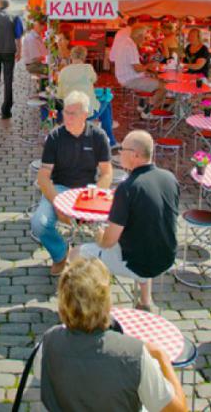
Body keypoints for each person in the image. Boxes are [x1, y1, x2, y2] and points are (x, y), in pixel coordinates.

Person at [40, 257, 189, 412]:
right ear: (106, 301)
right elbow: (179, 410)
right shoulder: (135, 356)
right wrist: (162, 358)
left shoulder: (48, 342)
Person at [76, 130, 179, 311]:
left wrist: (99, 235)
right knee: (145, 236)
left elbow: (108, 242)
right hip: (166, 256)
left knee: (77, 253)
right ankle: (145, 301)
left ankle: (86, 308)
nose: (119, 153)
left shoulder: (128, 188)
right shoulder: (169, 178)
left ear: (135, 155)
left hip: (139, 263)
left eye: (123, 149)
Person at [32, 91, 112, 276]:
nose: (66, 117)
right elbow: (43, 177)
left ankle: (97, 263)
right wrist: (58, 203)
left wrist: (95, 198)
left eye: (72, 113)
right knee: (39, 223)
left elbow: (107, 173)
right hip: (59, 189)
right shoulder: (55, 137)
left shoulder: (98, 136)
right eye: (65, 112)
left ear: (85, 115)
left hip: (86, 191)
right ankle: (60, 254)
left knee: (114, 223)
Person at [58, 45, 118, 148]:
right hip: (87, 113)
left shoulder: (63, 71)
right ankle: (110, 138)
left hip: (70, 111)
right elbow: (94, 80)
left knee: (104, 105)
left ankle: (109, 130)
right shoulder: (88, 68)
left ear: (71, 56)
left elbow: (60, 94)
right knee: (107, 101)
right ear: (84, 57)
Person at [111, 25, 166, 116]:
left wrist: (147, 70)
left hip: (124, 77)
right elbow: (137, 69)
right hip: (130, 80)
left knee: (152, 78)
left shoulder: (126, 43)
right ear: (139, 36)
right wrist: (149, 66)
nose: (145, 40)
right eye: (144, 37)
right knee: (164, 86)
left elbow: (136, 67)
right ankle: (147, 111)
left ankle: (142, 105)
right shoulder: (130, 46)